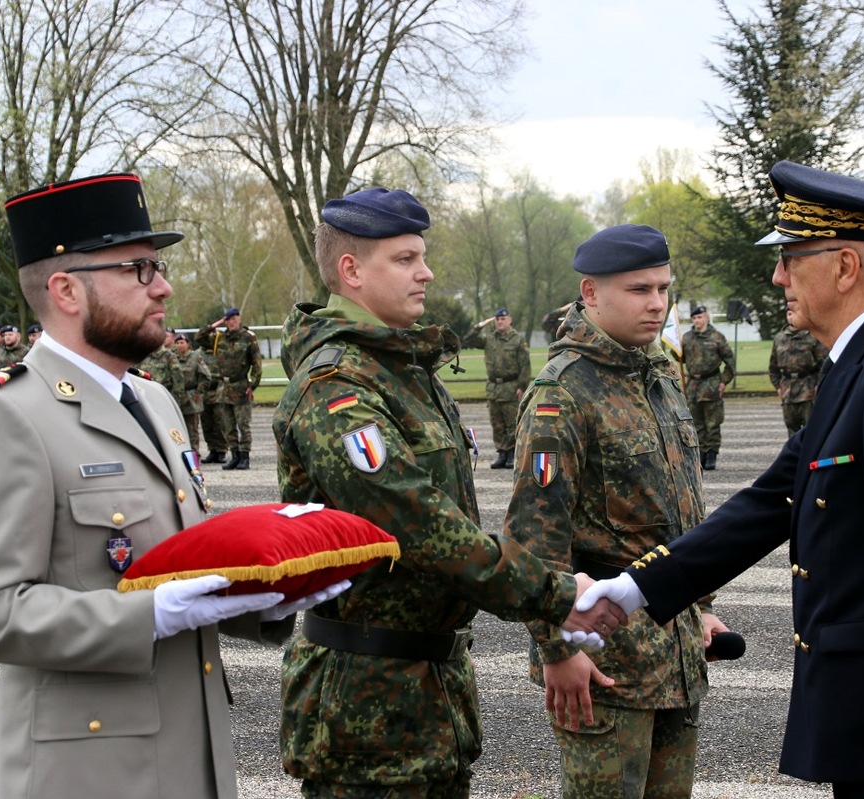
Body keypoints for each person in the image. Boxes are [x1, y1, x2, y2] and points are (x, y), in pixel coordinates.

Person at [576, 161, 864, 798]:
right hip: (856, 705)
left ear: (844, 266)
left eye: (791, 257)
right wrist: (636, 587)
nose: (777, 275)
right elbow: (770, 501)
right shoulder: (856, 366)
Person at [0, 172, 337, 799]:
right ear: (67, 290)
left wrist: (263, 597)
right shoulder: (5, 416)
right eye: (140, 270)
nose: (165, 287)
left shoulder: (154, 400)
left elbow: (185, 562)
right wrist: (146, 614)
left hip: (192, 755)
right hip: (92, 773)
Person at [271, 187, 625, 798]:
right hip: (367, 707)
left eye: (422, 256)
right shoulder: (336, 385)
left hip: (427, 694)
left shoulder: (402, 370)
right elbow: (418, 523)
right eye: (405, 258)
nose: (426, 272)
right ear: (352, 271)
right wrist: (553, 594)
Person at [504, 223, 728, 799]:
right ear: (591, 293)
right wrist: (557, 647)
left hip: (676, 653)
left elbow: (683, 509)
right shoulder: (563, 394)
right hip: (606, 663)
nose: (656, 303)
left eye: (663, 288)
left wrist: (699, 605)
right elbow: (535, 537)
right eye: (638, 290)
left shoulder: (660, 376)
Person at [461, 307, 532, 468]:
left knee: (512, 423)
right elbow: (469, 340)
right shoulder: (489, 339)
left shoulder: (517, 340)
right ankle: (501, 453)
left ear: (510, 320)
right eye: (497, 319)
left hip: (511, 386)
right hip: (494, 387)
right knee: (497, 423)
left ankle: (512, 454)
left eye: (503, 319)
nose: (500, 321)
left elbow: (525, 366)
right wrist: (479, 326)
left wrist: (522, 386)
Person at [196, 307, 261, 470]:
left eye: (233, 319)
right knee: (228, 425)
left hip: (240, 385)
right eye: (228, 320)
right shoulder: (220, 337)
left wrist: (252, 385)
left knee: (243, 424)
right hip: (223, 388)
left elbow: (256, 365)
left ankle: (245, 456)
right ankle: (235, 455)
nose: (231, 322)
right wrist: (214, 325)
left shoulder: (248, 338)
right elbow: (199, 337)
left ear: (239, 319)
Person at [680, 305, 734, 469]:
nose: (697, 321)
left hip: (711, 384)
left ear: (707, 318)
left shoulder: (717, 337)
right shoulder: (687, 338)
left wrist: (724, 381)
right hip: (693, 385)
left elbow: (730, 362)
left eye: (700, 317)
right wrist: (676, 346)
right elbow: (680, 358)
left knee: (712, 423)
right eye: (694, 318)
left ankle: (711, 455)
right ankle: (700, 454)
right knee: (696, 424)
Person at [768, 307, 828, 437]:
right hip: (787, 388)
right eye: (789, 314)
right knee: (791, 426)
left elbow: (824, 364)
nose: (791, 317)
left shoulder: (812, 337)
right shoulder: (779, 338)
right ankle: (794, 456)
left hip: (807, 387)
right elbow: (773, 366)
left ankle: (809, 455)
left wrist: (819, 385)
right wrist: (778, 386)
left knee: (811, 427)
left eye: (794, 313)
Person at [173, 331, 213, 455]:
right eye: (177, 343)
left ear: (188, 344)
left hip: (190, 397)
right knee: (176, 428)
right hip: (175, 397)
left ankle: (194, 453)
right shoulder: (172, 358)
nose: (179, 345)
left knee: (192, 429)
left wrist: (198, 392)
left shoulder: (195, 357)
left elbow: (206, 376)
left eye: (182, 343)